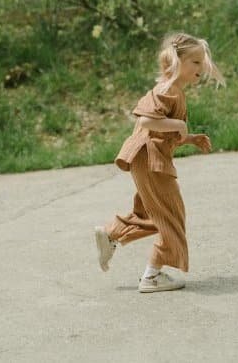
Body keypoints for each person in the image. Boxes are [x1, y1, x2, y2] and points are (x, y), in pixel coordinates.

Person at [94, 32, 224, 293]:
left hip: (150, 159)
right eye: (195, 62)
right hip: (151, 161)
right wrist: (178, 124)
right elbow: (145, 121)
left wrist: (189, 138)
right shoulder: (168, 90)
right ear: (178, 61)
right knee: (171, 216)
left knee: (154, 214)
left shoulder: (173, 90)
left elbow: (160, 131)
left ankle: (112, 233)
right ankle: (151, 276)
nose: (202, 67)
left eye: (202, 62)